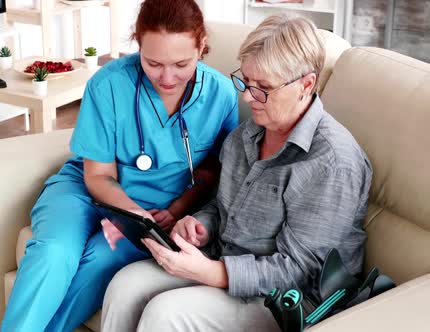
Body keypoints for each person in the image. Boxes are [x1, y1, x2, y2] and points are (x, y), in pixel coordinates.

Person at [101, 13, 372, 332]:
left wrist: (211, 273)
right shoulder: (247, 135)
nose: (246, 97)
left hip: (287, 299)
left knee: (166, 313)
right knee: (125, 285)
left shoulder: (332, 161)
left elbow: (301, 270)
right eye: (245, 81)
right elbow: (223, 206)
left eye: (263, 88)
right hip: (223, 260)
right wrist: (200, 225)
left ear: (306, 84)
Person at [0, 0, 239, 331]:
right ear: (138, 45)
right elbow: (97, 175)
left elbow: (214, 171)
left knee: (100, 259)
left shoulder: (221, 95)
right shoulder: (109, 84)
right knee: (54, 253)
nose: (167, 78)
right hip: (84, 191)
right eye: (153, 63)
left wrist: (178, 208)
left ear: (201, 46)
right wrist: (135, 214)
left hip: (150, 213)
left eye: (181, 63)